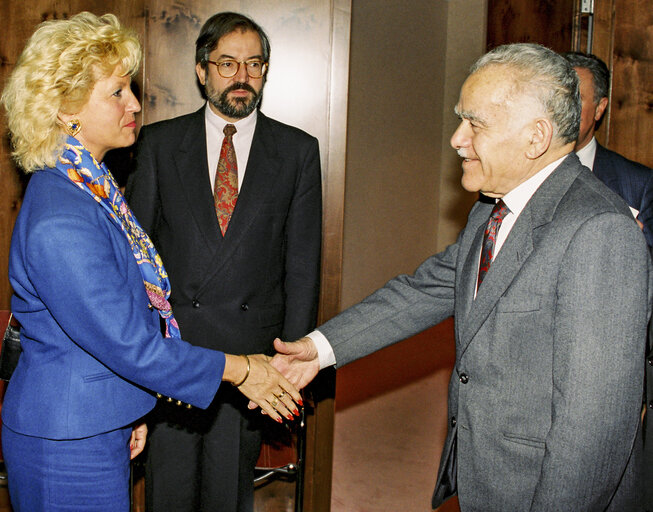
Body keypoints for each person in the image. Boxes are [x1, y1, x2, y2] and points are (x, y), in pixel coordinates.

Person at [270, 43, 652, 510]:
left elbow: (595, 429)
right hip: (486, 478)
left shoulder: (600, 231)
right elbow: (423, 291)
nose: (456, 138)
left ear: (536, 137)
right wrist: (320, 349)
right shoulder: (492, 208)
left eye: (475, 123)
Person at [0, 12, 301, 512]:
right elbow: (131, 346)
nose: (135, 104)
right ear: (63, 109)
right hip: (67, 440)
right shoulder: (62, 217)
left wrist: (130, 408)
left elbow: (111, 328)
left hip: (96, 420)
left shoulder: (89, 187)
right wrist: (242, 369)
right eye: (116, 92)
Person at [124, 11, 322, 512]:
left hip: (252, 356)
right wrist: (139, 355)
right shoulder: (159, 144)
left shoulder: (297, 150)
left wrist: (291, 361)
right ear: (201, 70)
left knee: (227, 496)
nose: (241, 77)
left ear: (265, 71)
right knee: (168, 493)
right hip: (175, 353)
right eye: (227, 64)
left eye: (253, 65)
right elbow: (136, 257)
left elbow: (302, 265)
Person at [562, 51, 653, 246]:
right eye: (559, 97)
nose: (564, 110)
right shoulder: (517, 172)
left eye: (576, 99)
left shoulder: (638, 184)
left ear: (599, 108)